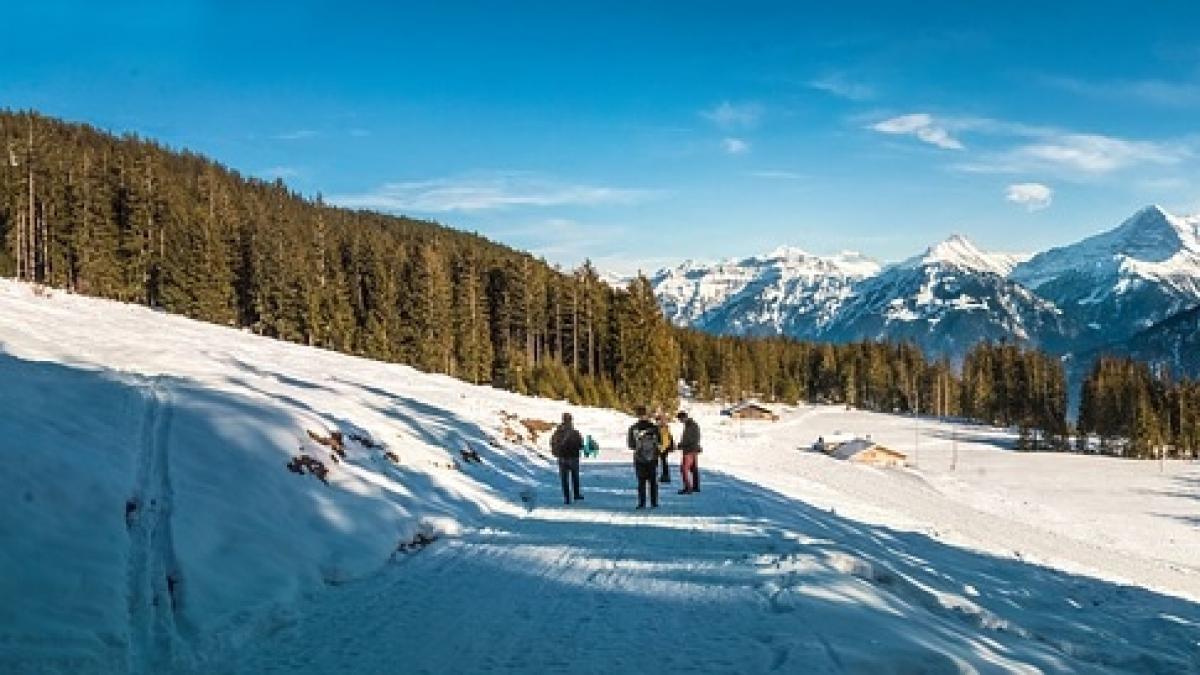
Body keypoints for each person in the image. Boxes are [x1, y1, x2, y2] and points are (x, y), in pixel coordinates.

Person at [627, 406, 660, 509]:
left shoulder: (633, 428)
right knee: (653, 481)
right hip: (652, 457)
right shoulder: (654, 427)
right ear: (646, 414)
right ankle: (654, 502)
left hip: (639, 458)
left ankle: (642, 503)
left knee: (641, 481)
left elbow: (631, 445)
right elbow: (660, 442)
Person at [550, 412, 584, 505]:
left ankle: (567, 498)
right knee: (575, 477)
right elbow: (581, 445)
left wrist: (556, 452)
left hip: (562, 458)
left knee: (564, 479)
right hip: (573, 457)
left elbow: (552, 443)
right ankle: (576, 495)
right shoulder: (575, 432)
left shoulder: (557, 432)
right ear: (571, 420)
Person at [676, 410, 702, 494]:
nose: (680, 422)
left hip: (689, 450)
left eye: (680, 419)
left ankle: (688, 487)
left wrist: (681, 445)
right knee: (693, 468)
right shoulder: (692, 425)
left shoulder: (690, 426)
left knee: (684, 469)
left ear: (684, 418)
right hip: (693, 449)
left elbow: (690, 439)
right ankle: (696, 486)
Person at [656, 413, 675, 483]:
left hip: (663, 448)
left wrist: (662, 447)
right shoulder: (663, 428)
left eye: (658, 420)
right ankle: (664, 476)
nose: (657, 422)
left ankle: (665, 477)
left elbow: (665, 439)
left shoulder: (663, 428)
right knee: (663, 462)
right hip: (663, 447)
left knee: (662, 462)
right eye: (656, 420)